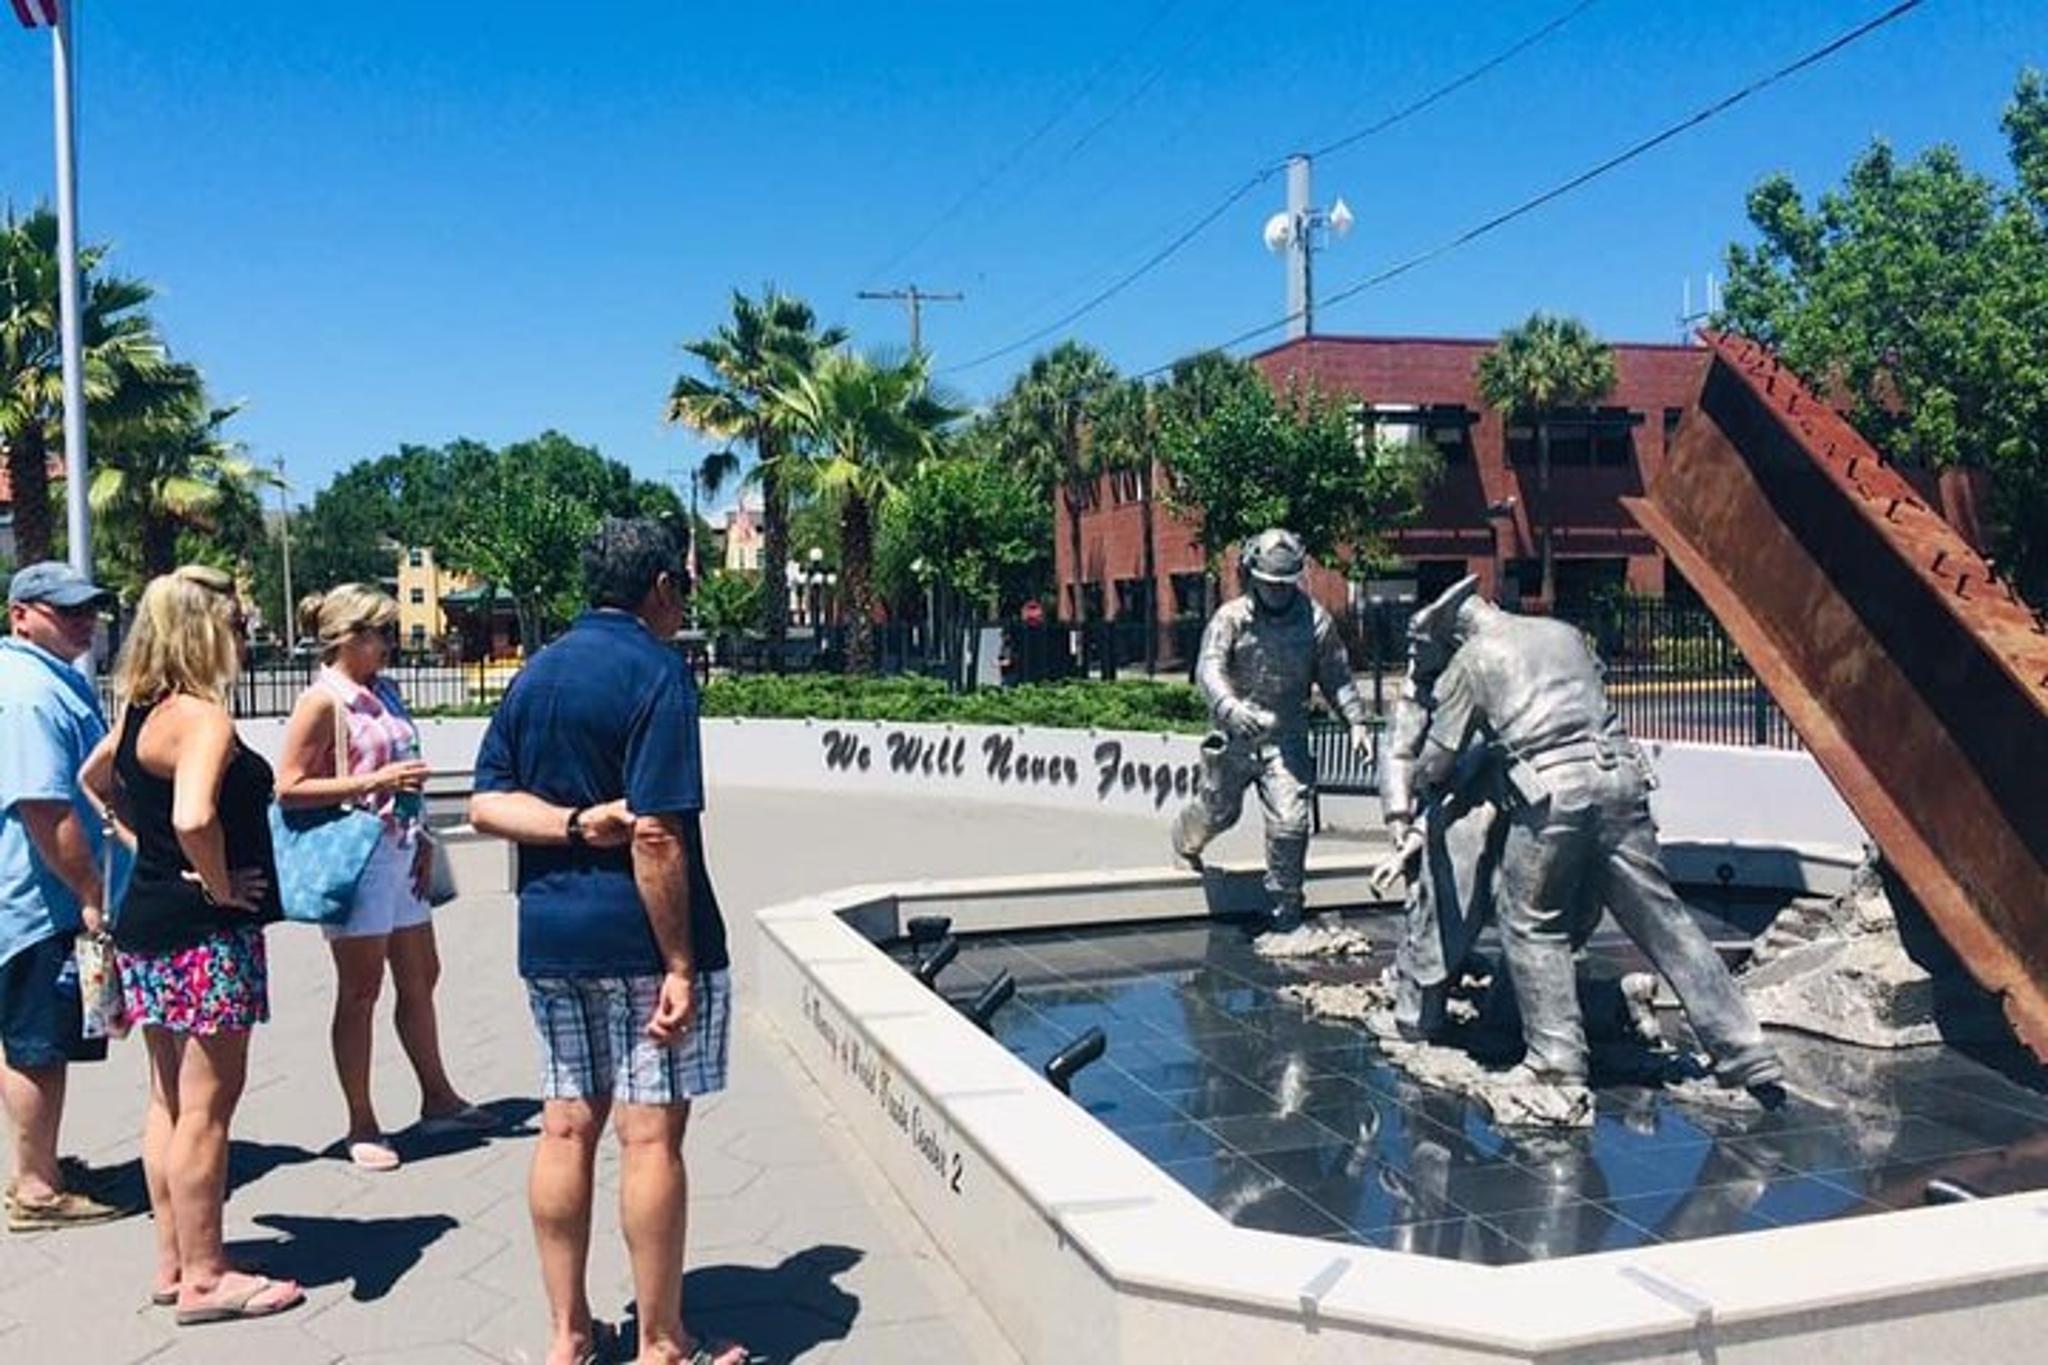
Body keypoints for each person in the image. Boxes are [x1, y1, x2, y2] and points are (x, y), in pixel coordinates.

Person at [470, 518, 743, 1365]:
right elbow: (656, 833)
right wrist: (680, 962)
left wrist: (573, 824)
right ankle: (662, 1344)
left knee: (563, 1128)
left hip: (553, 938)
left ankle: (568, 1336)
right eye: (684, 588)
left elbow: (486, 804)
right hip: (640, 939)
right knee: (650, 1138)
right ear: (661, 586)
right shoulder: (659, 673)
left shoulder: (538, 671)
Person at [1378, 575, 1782, 1096]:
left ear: (1453, 635)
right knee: (1665, 920)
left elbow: (1435, 761)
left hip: (1553, 794)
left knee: (1530, 922)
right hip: (1622, 776)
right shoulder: (1562, 633)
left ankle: (1555, 1060)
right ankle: (1743, 1050)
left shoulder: (1472, 660)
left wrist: (1430, 785)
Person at [82, 565, 303, 1325]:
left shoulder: (140, 711)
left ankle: (174, 1262)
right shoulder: (203, 717)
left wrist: (135, 843)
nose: (243, 634)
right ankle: (209, 1276)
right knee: (208, 1108)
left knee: (167, 1099)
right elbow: (194, 815)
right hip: (206, 936)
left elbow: (93, 777)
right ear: (208, 630)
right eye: (237, 623)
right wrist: (212, 882)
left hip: (145, 924)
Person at [274, 584, 491, 1171]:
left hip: (400, 848)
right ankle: (361, 1121)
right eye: (380, 633)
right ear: (349, 637)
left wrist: (424, 836)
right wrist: (376, 784)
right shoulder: (324, 701)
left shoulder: (383, 691)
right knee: (361, 990)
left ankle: (437, 1096)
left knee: (422, 973)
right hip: (358, 854)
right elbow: (288, 787)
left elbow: (407, 776)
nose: (390, 644)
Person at [0, 562, 125, 1232]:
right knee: (36, 1044)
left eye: (88, 609)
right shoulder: (27, 693)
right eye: (64, 609)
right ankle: (36, 1187)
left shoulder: (41, 680)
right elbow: (44, 806)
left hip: (34, 897)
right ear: (20, 612)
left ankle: (40, 1161)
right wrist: (90, 888)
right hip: (37, 902)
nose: (83, 620)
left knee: (37, 1039)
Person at [1170, 528, 1375, 930]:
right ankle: (1185, 840)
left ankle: (1287, 912)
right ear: (1252, 576)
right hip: (1235, 737)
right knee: (1218, 812)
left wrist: (1355, 721)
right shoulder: (1230, 618)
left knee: (1290, 823)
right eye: (1270, 585)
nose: (1278, 592)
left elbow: (1336, 676)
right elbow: (1208, 669)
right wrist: (1229, 707)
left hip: (1287, 738)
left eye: (1285, 584)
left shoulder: (1316, 621)